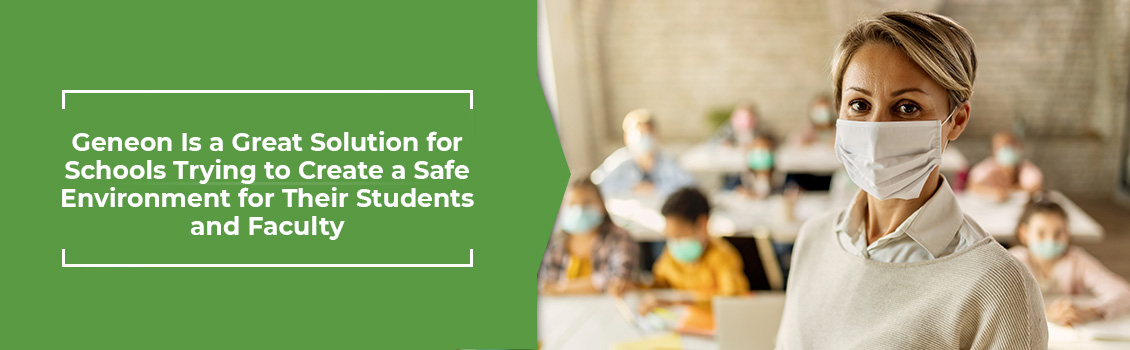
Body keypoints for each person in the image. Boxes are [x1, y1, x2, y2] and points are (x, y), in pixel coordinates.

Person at [776, 11, 1047, 349]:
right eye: (859, 104)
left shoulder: (997, 285)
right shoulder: (814, 239)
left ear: (957, 120)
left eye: (907, 108)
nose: (876, 130)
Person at [1009, 194, 1130, 326]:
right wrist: (1046, 312)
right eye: (1041, 233)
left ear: (1067, 232)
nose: (1050, 240)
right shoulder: (1014, 260)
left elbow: (1123, 293)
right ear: (1024, 233)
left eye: (1058, 233)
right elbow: (1001, 299)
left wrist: (1087, 312)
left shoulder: (1077, 260)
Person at [638, 187, 748, 314]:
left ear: (702, 224)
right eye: (670, 237)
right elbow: (660, 283)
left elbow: (731, 298)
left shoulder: (723, 256)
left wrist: (680, 302)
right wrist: (635, 285)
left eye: (680, 235)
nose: (675, 243)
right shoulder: (671, 253)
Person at [538, 177, 640, 296]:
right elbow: (545, 284)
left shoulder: (620, 238)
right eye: (572, 204)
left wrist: (562, 288)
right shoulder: (556, 243)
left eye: (586, 203)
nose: (579, 209)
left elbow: (619, 280)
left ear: (602, 206)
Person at [591, 109, 695, 197]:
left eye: (648, 134)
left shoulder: (669, 161)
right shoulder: (619, 162)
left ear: (656, 135)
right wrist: (631, 189)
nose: (644, 138)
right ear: (626, 138)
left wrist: (656, 188)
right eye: (639, 134)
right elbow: (595, 185)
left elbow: (691, 187)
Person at [967, 131, 1044, 201]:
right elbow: (971, 186)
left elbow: (1036, 188)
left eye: (1009, 145)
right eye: (1002, 145)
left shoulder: (1028, 169)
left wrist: (1009, 191)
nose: (1006, 149)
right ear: (993, 150)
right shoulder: (987, 167)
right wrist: (992, 192)